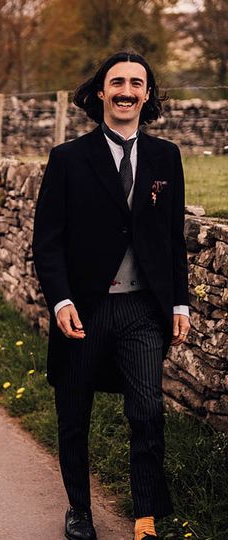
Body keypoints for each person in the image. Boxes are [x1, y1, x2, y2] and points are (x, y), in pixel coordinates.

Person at [32, 51, 191, 540]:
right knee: (74, 413)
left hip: (144, 309)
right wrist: (60, 301)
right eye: (116, 82)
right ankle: (79, 509)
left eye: (136, 83)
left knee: (146, 410)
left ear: (147, 94)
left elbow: (173, 237)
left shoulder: (166, 156)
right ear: (100, 92)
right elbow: (47, 241)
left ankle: (144, 514)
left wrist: (179, 302)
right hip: (84, 308)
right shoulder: (68, 159)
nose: (126, 90)